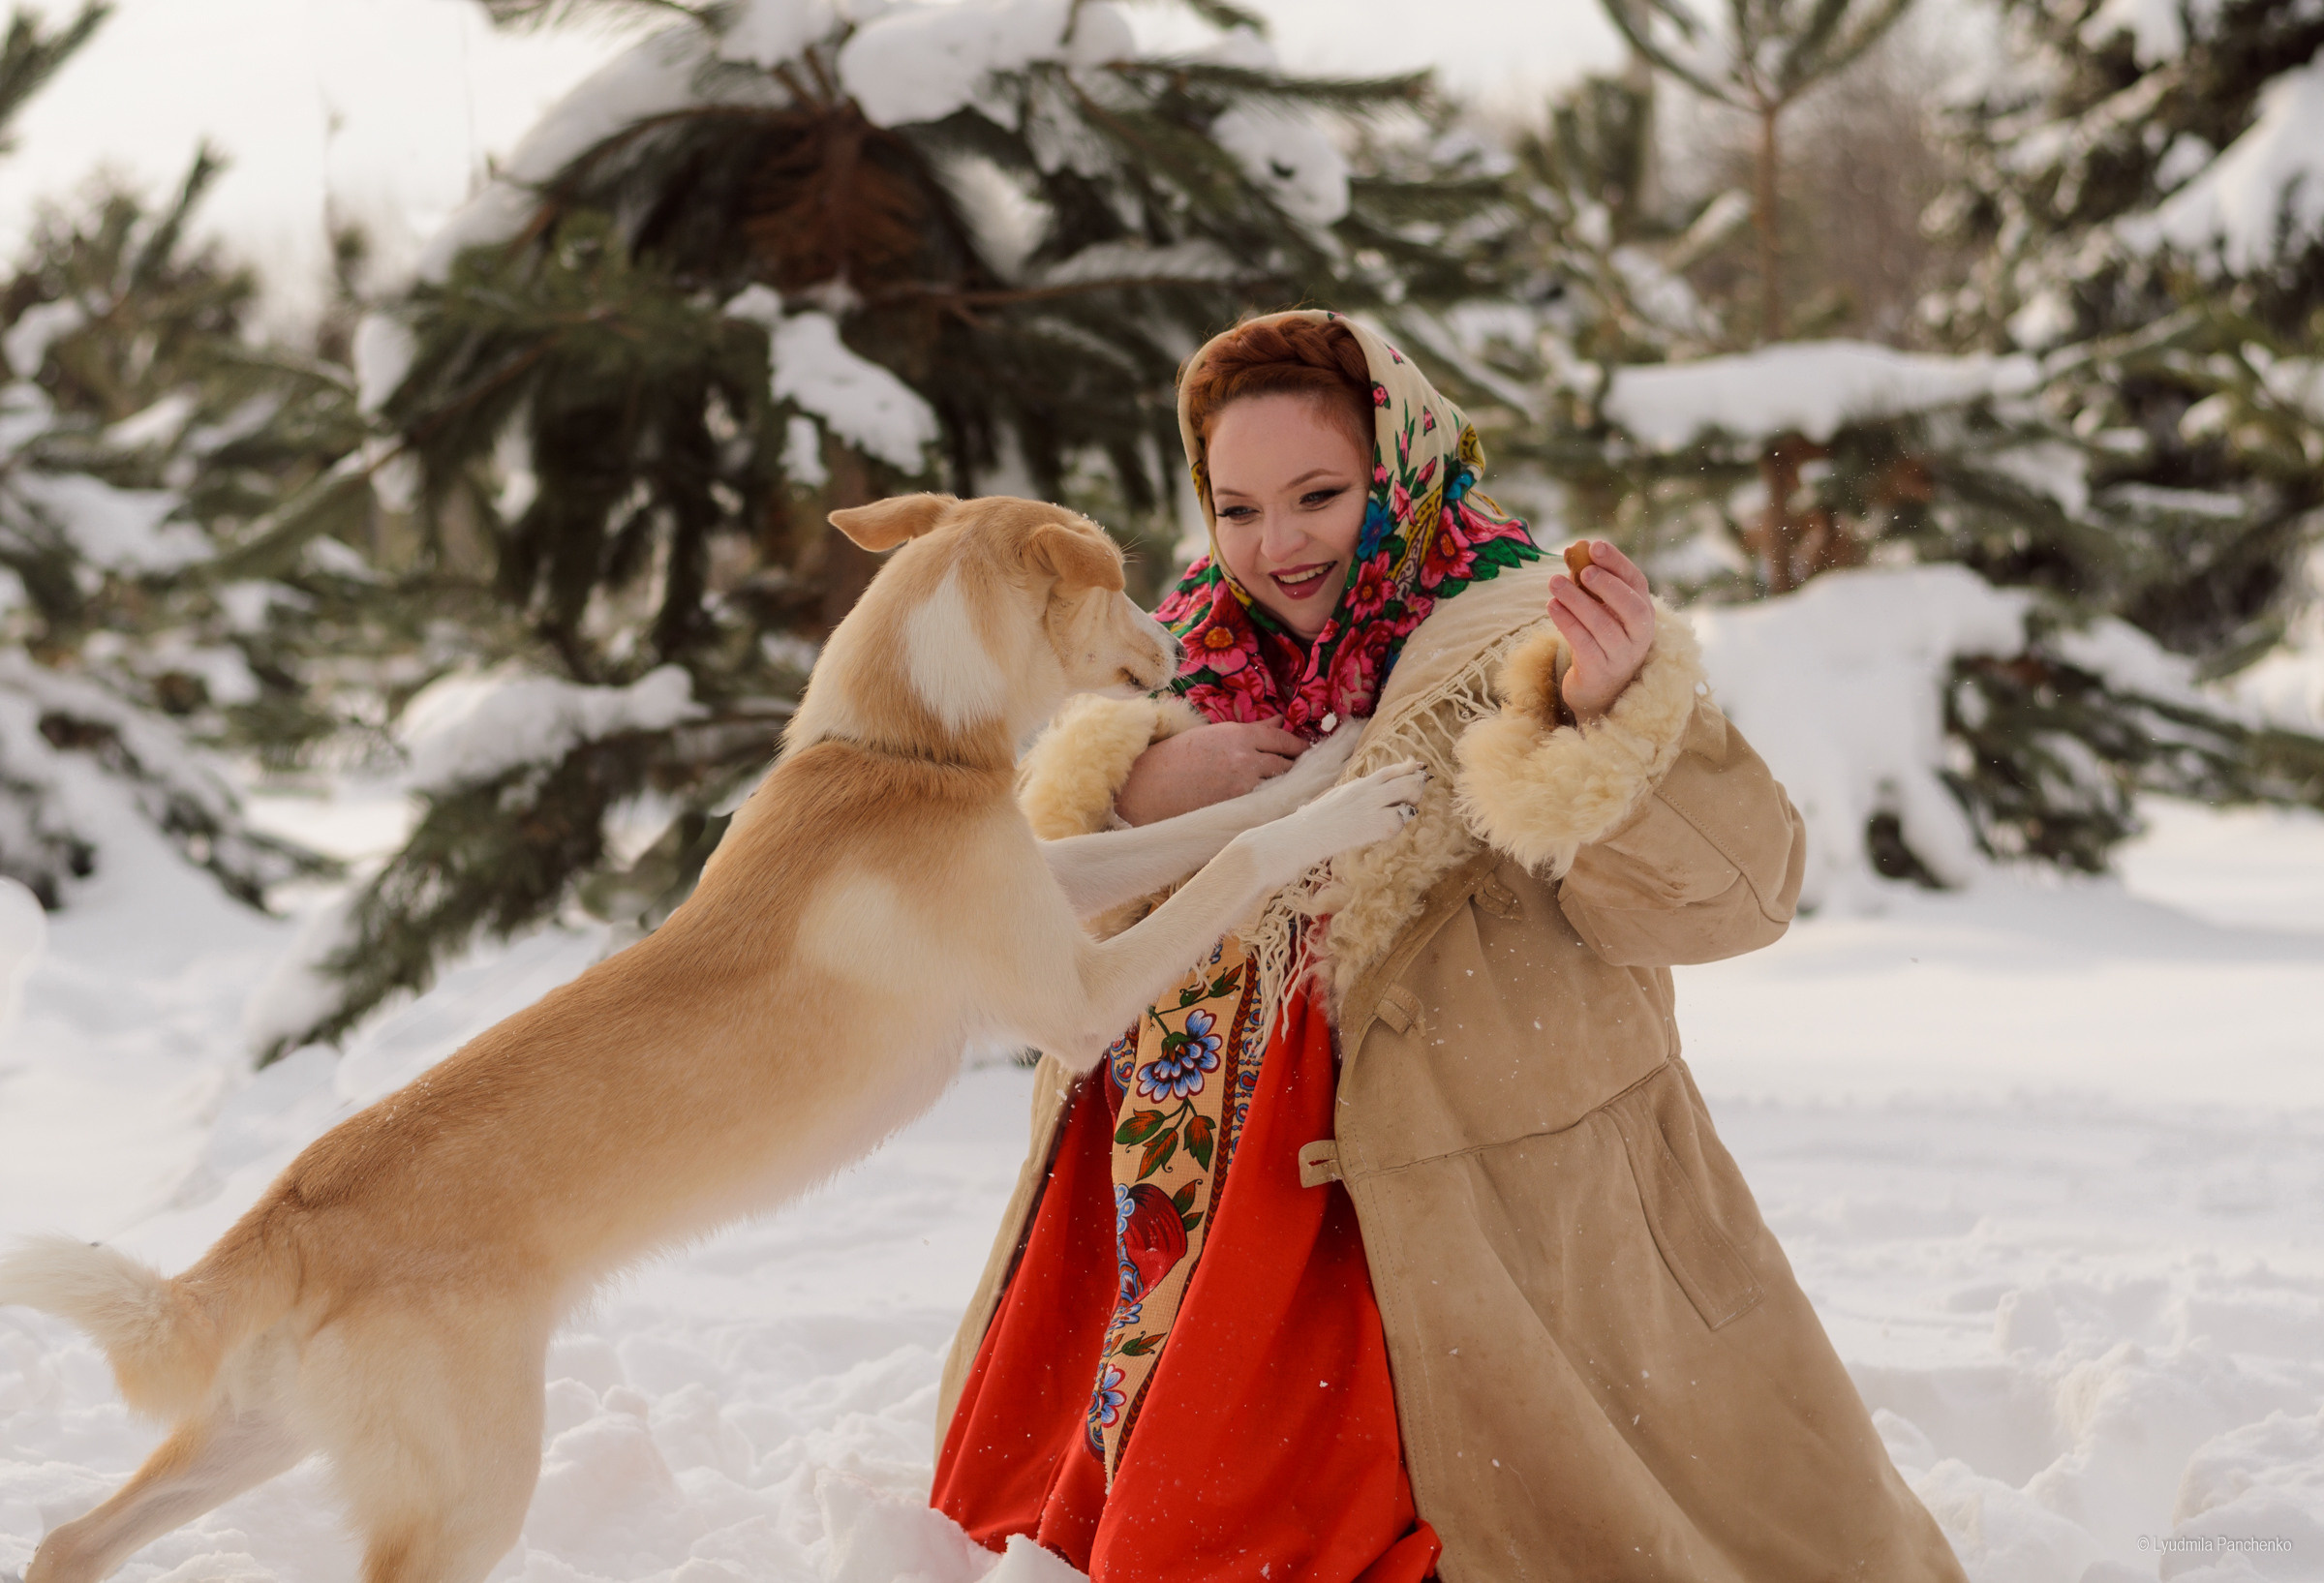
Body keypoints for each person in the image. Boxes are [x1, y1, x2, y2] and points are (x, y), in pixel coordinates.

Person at [928, 309, 1969, 1583]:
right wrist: (1134, 787)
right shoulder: (1178, 664)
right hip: (1188, 1229)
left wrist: (1609, 732)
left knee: (1497, 1519)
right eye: (1239, 507)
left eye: (1318, 495)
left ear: (1401, 468)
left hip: (1478, 1220)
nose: (1279, 544)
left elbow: (1734, 902)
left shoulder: (1528, 642)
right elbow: (1043, 945)